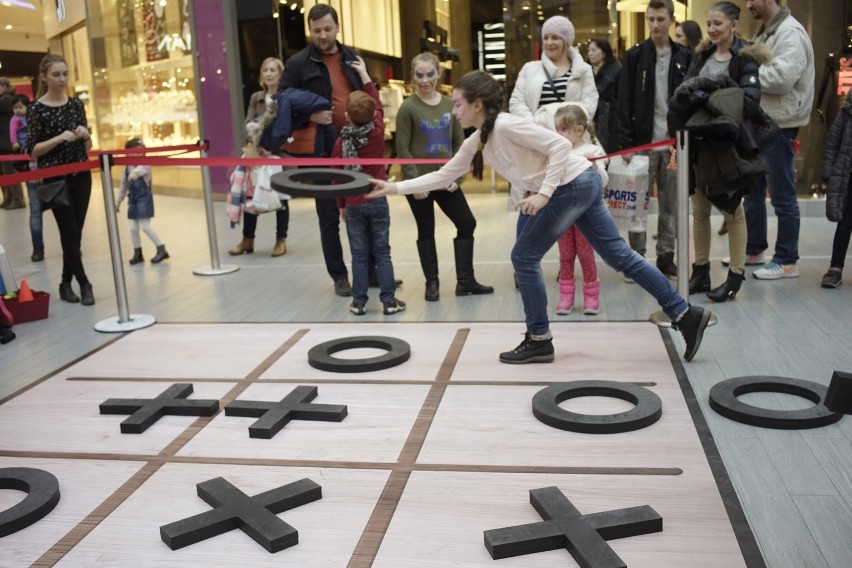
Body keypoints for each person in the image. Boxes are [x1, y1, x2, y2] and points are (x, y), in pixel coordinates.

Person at [367, 71, 712, 364]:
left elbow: (560, 146)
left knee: (524, 256)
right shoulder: (480, 139)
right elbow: (444, 175)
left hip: (573, 184)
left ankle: (539, 338)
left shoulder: (506, 125)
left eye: (458, 103)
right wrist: (394, 188)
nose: (453, 110)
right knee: (619, 256)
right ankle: (685, 314)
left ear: (477, 105)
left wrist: (543, 194)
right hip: (581, 183)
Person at [670, 2, 771, 303]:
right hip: (699, 144)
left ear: (734, 25)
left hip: (728, 147)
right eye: (709, 23)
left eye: (719, 23)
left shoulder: (746, 58)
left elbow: (749, 102)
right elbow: (685, 92)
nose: (712, 29)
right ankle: (700, 270)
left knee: (732, 209)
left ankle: (735, 276)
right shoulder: (702, 55)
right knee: (699, 209)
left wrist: (706, 96)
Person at [278, 3, 361, 297]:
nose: (323, 35)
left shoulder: (352, 58)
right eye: (316, 30)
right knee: (328, 215)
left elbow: (367, 95)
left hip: (355, 147)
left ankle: (371, 271)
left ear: (337, 28)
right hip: (321, 150)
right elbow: (281, 103)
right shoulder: (298, 63)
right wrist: (308, 117)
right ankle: (339, 276)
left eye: (327, 29)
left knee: (362, 209)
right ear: (309, 30)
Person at [395, 52, 492, 301]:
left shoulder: (451, 104)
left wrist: (456, 178)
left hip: (446, 179)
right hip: (420, 183)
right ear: (413, 76)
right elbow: (403, 149)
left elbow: (460, 142)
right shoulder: (407, 107)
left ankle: (465, 281)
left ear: (439, 73)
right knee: (426, 229)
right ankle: (432, 282)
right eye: (419, 75)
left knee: (466, 222)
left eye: (430, 74)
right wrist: (414, 183)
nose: (425, 80)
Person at [509, 15, 598, 277]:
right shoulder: (530, 69)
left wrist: (564, 127)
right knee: (529, 203)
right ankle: (521, 264)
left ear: (567, 41)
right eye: (546, 37)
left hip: (572, 147)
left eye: (555, 37)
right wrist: (537, 126)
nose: (550, 42)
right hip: (536, 147)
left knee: (571, 204)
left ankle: (567, 268)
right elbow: (517, 102)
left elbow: (589, 105)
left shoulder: (583, 71)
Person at [616, 0, 691, 279]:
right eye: (651, 19)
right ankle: (636, 258)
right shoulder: (635, 56)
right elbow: (623, 103)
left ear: (671, 20)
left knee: (670, 203)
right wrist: (626, 145)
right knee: (637, 204)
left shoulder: (684, 56)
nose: (656, 24)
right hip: (642, 144)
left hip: (672, 144)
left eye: (661, 19)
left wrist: (684, 142)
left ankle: (665, 256)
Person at [740, 0, 814, 280]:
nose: (748, 5)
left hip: (780, 125)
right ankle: (755, 248)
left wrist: (746, 76)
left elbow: (783, 78)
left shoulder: (790, 33)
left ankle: (786, 259)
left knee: (782, 193)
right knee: (753, 189)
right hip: (764, 121)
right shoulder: (767, 31)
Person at [333, 57, 405, 316]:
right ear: (373, 113)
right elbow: (375, 101)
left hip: (353, 203)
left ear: (346, 116)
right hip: (377, 199)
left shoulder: (341, 144)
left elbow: (337, 177)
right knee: (382, 252)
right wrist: (363, 73)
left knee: (359, 255)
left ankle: (358, 302)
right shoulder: (376, 133)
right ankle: (388, 301)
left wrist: (341, 205)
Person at [27, 54, 95, 306]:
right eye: (56, 74)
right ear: (44, 76)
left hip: (81, 176)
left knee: (75, 233)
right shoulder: (36, 109)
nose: (62, 79)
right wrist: (58, 138)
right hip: (55, 180)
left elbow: (88, 145)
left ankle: (65, 283)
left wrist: (85, 134)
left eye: (65, 74)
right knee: (69, 232)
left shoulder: (76, 105)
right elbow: (32, 149)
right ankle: (84, 283)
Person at [228, 57, 290, 258]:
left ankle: (281, 240)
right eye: (265, 70)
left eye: (273, 70)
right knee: (250, 196)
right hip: (257, 153)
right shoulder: (257, 97)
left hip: (278, 154)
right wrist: (257, 142)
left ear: (280, 74)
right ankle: (248, 240)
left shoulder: (286, 97)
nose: (269, 74)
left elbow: (289, 127)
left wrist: (272, 148)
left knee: (280, 197)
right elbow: (248, 122)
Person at [553, 104, 607, 315]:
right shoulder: (557, 151)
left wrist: (593, 167)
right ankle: (566, 297)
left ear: (579, 129)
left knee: (586, 255)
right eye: (557, 129)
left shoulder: (593, 152)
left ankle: (591, 297)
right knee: (565, 255)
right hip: (563, 214)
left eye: (564, 129)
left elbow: (603, 181)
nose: (560, 133)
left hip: (586, 214)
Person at [116, 137, 170, 265]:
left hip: (144, 200)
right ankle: (137, 253)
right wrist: (118, 201)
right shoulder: (127, 167)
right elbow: (123, 185)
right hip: (133, 200)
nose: (138, 153)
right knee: (133, 228)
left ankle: (161, 249)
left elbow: (143, 169)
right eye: (134, 151)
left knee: (145, 226)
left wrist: (134, 173)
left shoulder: (144, 164)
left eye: (140, 150)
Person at [820, 89, 852, 289]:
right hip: (848, 177)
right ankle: (835, 267)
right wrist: (828, 173)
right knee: (844, 224)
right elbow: (833, 142)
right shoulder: (848, 110)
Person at [10, 94, 44, 261]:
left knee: (38, 212)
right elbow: (13, 136)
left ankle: (40, 249)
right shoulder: (20, 121)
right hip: (34, 171)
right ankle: (38, 247)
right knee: (36, 212)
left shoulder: (32, 120)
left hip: (46, 170)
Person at [586, 38, 621, 154]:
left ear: (604, 52)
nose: (590, 53)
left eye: (594, 50)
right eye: (589, 50)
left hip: (611, 119)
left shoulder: (617, 70)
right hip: (591, 118)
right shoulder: (586, 71)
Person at [0, 87, 25, 210]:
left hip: (7, 144)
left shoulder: (7, 99)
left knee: (10, 174)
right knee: (4, 174)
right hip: (5, 143)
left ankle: (17, 199)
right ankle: (8, 198)